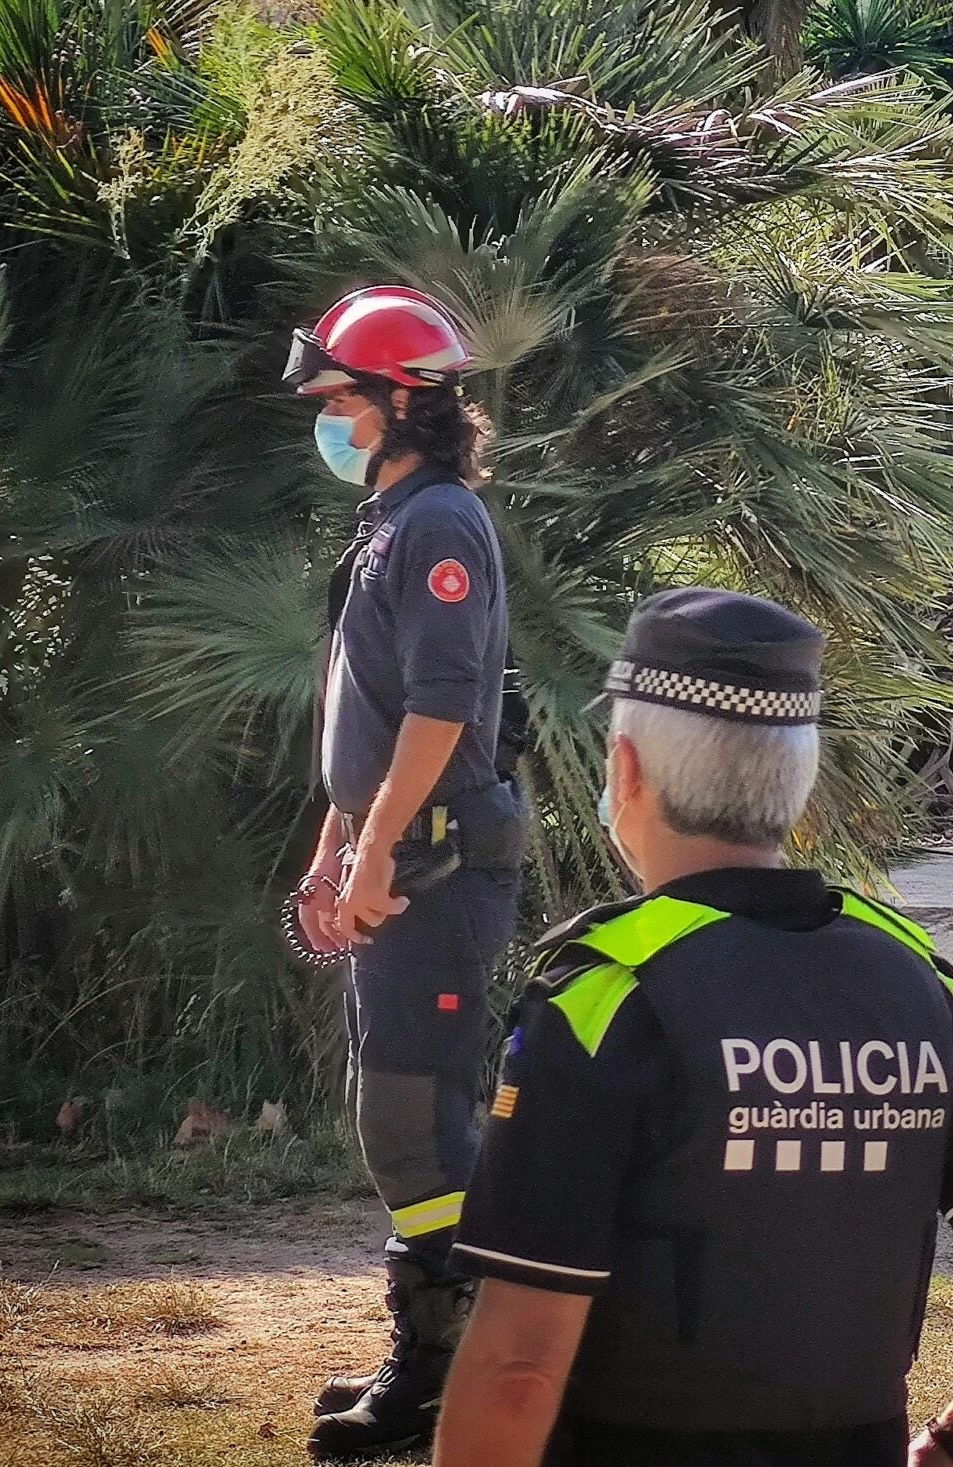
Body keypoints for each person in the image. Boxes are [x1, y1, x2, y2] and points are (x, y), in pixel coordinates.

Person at [434, 588, 953, 1467]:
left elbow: (517, 1369)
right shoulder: (913, 980)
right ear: (800, 778)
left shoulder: (608, 998)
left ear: (625, 771)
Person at [284, 285, 529, 1459]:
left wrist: (376, 850)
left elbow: (439, 712)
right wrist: (332, 849)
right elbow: (369, 716)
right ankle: (443, 1355)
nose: (325, 421)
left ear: (399, 403)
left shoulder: (437, 526)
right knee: (398, 1118)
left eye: (337, 400)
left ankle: (449, 1376)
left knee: (416, 1126)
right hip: (394, 862)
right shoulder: (394, 520)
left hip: (435, 869)